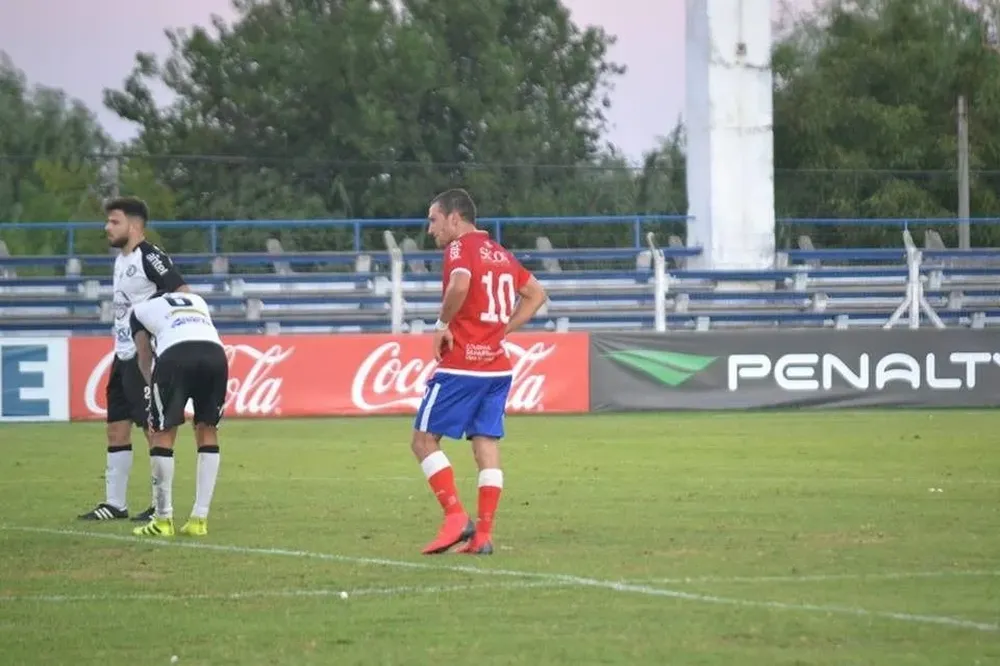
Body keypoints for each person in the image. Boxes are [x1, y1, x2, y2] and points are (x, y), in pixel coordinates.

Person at [411, 188, 547, 555]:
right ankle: (484, 535)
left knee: (423, 440)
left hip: (462, 365)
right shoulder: (502, 255)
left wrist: (441, 323)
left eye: (433, 219)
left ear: (454, 218)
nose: (430, 229)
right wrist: (501, 330)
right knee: (485, 443)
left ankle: (456, 517)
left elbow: (460, 284)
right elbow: (536, 294)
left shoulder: (460, 248)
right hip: (496, 367)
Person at [78, 197, 189, 523]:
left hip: (145, 357)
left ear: (134, 225)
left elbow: (183, 290)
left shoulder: (149, 256)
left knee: (153, 429)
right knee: (116, 429)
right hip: (122, 355)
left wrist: (164, 334)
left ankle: (160, 504)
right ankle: (115, 503)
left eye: (114, 222)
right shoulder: (120, 261)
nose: (107, 227)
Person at [129, 291, 229, 537]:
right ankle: (199, 519)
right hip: (215, 354)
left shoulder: (140, 310)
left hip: (176, 355)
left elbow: (144, 357)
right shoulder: (197, 299)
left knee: (162, 432)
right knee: (207, 430)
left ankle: (163, 520)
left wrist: (153, 388)